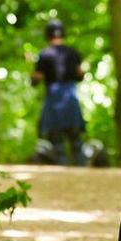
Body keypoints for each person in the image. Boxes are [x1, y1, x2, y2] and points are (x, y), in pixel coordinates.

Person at [31, 19, 87, 165]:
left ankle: (63, 177)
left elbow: (36, 79)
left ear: (47, 35)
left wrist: (33, 76)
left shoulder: (44, 54)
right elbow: (80, 74)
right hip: (70, 97)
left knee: (57, 144)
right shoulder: (73, 53)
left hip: (54, 99)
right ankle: (84, 174)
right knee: (76, 141)